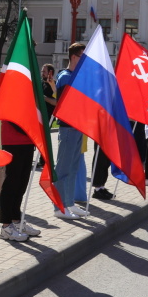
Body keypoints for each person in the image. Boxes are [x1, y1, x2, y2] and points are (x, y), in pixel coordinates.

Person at [53, 42, 89, 220]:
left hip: (77, 127)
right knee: (63, 169)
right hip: (68, 128)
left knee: (73, 168)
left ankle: (69, 203)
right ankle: (59, 207)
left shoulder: (75, 76)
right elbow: (70, 104)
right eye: (83, 57)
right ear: (74, 56)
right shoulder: (66, 77)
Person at [0, 122, 41, 241]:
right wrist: (30, 129)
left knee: (21, 185)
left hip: (28, 141)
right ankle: (6, 227)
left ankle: (16, 221)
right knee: (11, 184)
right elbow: (12, 117)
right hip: (12, 142)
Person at [36, 63, 57, 170]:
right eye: (42, 71)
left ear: (50, 73)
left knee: (44, 139)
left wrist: (44, 98)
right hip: (37, 115)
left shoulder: (53, 85)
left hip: (47, 116)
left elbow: (56, 102)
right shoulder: (40, 83)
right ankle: (39, 159)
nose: (42, 73)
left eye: (44, 71)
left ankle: (44, 160)